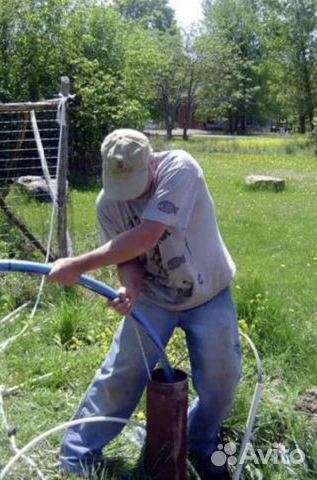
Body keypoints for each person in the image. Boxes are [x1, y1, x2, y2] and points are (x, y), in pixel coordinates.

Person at [48, 129, 242, 479]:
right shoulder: (108, 203)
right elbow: (128, 260)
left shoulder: (180, 168)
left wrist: (77, 265)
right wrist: (130, 289)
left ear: (151, 161)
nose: (128, 192)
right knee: (120, 374)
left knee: (221, 378)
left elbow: (146, 235)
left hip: (208, 294)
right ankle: (77, 456)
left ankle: (198, 439)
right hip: (153, 299)